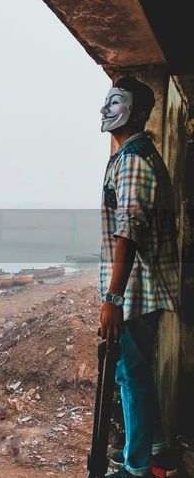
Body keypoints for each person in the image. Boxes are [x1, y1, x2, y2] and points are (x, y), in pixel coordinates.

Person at [96, 76, 179, 478]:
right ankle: (158, 449)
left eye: (115, 103)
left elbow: (129, 229)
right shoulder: (139, 154)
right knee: (140, 373)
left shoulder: (132, 160)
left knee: (130, 378)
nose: (104, 110)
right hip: (142, 291)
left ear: (140, 113)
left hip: (133, 294)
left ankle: (137, 467)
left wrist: (112, 300)